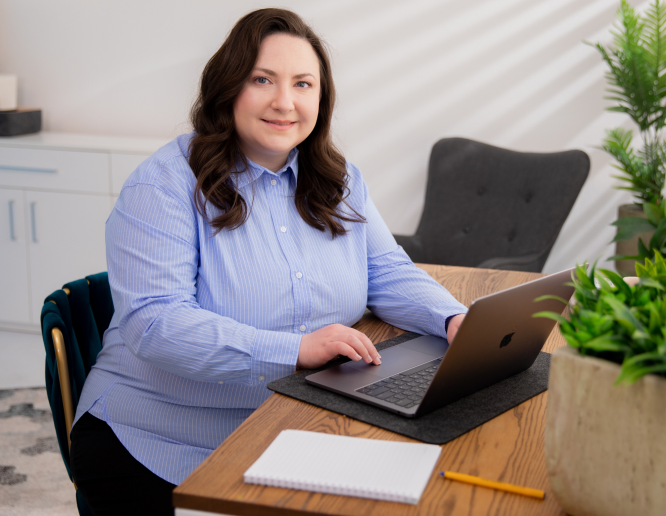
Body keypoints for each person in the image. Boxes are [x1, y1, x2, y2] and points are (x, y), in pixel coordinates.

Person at [69, 8, 467, 515]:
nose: (285, 102)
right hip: (160, 441)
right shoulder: (164, 185)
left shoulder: (338, 179)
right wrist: (295, 350)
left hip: (293, 423)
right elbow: (155, 323)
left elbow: (385, 269)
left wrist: (452, 318)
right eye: (263, 79)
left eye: (303, 84)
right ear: (228, 87)